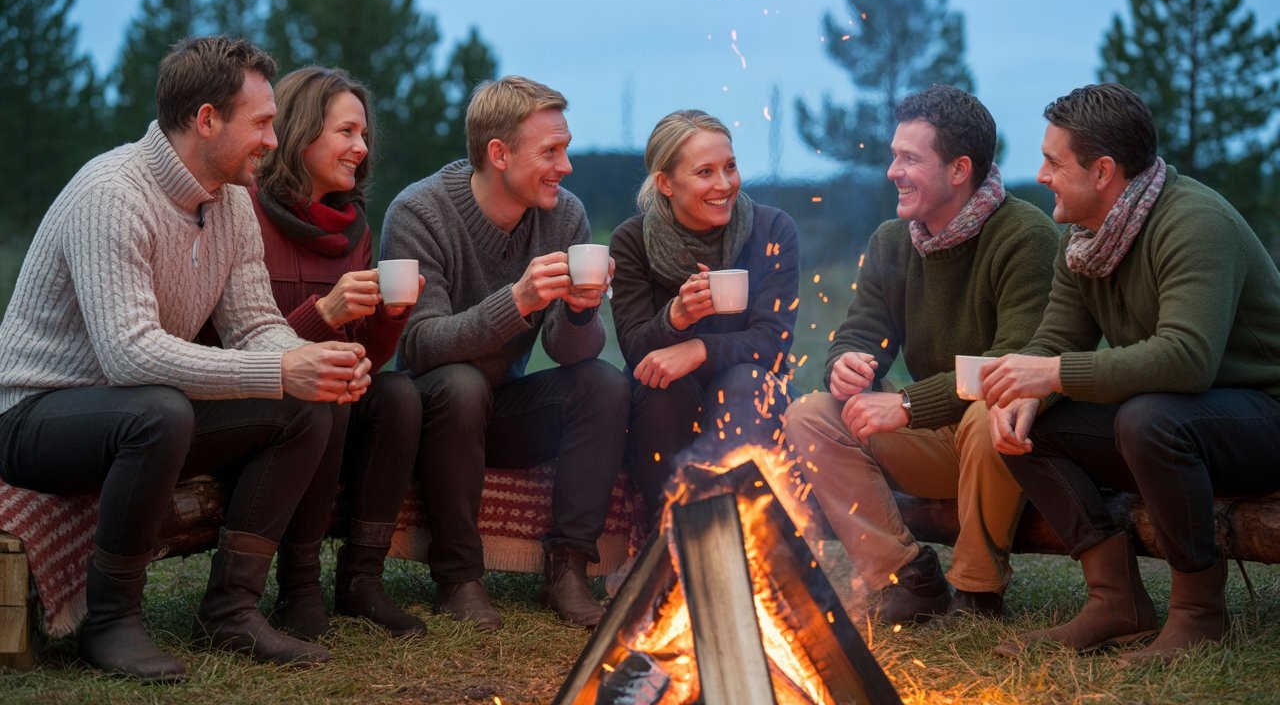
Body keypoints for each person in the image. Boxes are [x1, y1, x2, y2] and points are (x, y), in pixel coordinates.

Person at [0, 37, 373, 680]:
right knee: (160, 411)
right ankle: (111, 622)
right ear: (206, 119)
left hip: (137, 408)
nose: (272, 141)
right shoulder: (111, 193)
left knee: (305, 403)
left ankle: (231, 608)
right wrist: (278, 368)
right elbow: (128, 354)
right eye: (261, 123)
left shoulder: (231, 201)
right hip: (35, 414)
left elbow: (254, 325)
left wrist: (312, 362)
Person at [983, 83, 1280, 661]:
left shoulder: (1194, 223)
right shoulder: (1083, 241)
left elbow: (1186, 359)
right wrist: (1025, 396)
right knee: (1027, 424)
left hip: (1262, 416)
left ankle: (1198, 614)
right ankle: (1114, 600)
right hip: (1184, 419)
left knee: (1149, 419)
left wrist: (1051, 375)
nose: (1041, 176)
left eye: (1053, 162)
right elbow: (1057, 339)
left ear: (1102, 171)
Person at [784, 84, 1060, 624]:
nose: (894, 172)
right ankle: (907, 577)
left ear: (959, 170)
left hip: (1015, 445)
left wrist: (908, 404)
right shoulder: (893, 241)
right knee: (810, 416)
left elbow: (1014, 365)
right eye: (894, 157)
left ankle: (979, 592)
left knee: (992, 407)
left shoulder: (1026, 236)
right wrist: (847, 364)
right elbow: (861, 331)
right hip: (936, 439)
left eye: (910, 159)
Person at [380, 75, 629, 630]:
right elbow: (419, 344)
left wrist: (581, 311)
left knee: (604, 382)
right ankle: (459, 578)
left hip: (501, 407)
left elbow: (567, 352)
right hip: (430, 412)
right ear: (499, 154)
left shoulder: (563, 215)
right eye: (551, 152)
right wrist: (516, 301)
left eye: (565, 149)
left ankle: (568, 568)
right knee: (461, 384)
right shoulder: (419, 211)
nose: (566, 166)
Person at [229, 66, 425, 639]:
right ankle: (299, 585)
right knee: (330, 392)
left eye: (363, 135)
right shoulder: (244, 210)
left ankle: (362, 580)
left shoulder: (353, 228)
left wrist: (390, 316)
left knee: (398, 394)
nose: (361, 149)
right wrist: (325, 314)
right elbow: (234, 343)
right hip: (253, 395)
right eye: (346, 132)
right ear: (300, 132)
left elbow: (366, 355)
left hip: (324, 394)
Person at [609, 109, 798, 526]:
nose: (725, 184)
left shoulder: (771, 230)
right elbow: (636, 350)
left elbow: (773, 343)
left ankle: (749, 534)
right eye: (705, 172)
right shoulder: (632, 241)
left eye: (730, 166)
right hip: (664, 404)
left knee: (746, 382)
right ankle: (670, 536)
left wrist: (698, 349)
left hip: (748, 391)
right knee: (663, 386)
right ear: (665, 183)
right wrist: (674, 319)